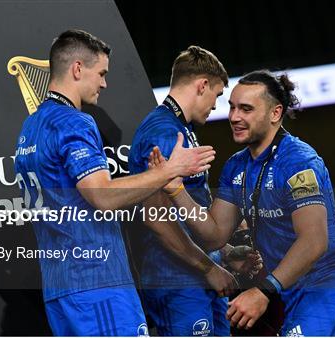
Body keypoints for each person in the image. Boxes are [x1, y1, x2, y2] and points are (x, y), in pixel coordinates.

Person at [13, 29, 228, 336]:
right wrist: (169, 170)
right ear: (77, 69)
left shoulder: (30, 127)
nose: (104, 83)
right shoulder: (74, 121)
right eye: (101, 73)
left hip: (60, 288)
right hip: (98, 283)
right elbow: (102, 196)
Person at [151, 70, 335, 335]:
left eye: (246, 109)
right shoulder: (236, 165)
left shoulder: (298, 161)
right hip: (292, 293)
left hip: (330, 286)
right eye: (231, 107)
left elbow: (314, 241)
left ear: (275, 113)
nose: (234, 117)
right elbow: (214, 234)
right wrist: (176, 190)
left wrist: (263, 291)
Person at [129, 45, 261, 336]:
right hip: (177, 281)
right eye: (216, 95)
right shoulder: (164, 133)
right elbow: (158, 219)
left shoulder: (179, 128)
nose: (216, 106)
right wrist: (208, 268)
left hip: (196, 278)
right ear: (202, 85)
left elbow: (185, 210)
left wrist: (223, 251)